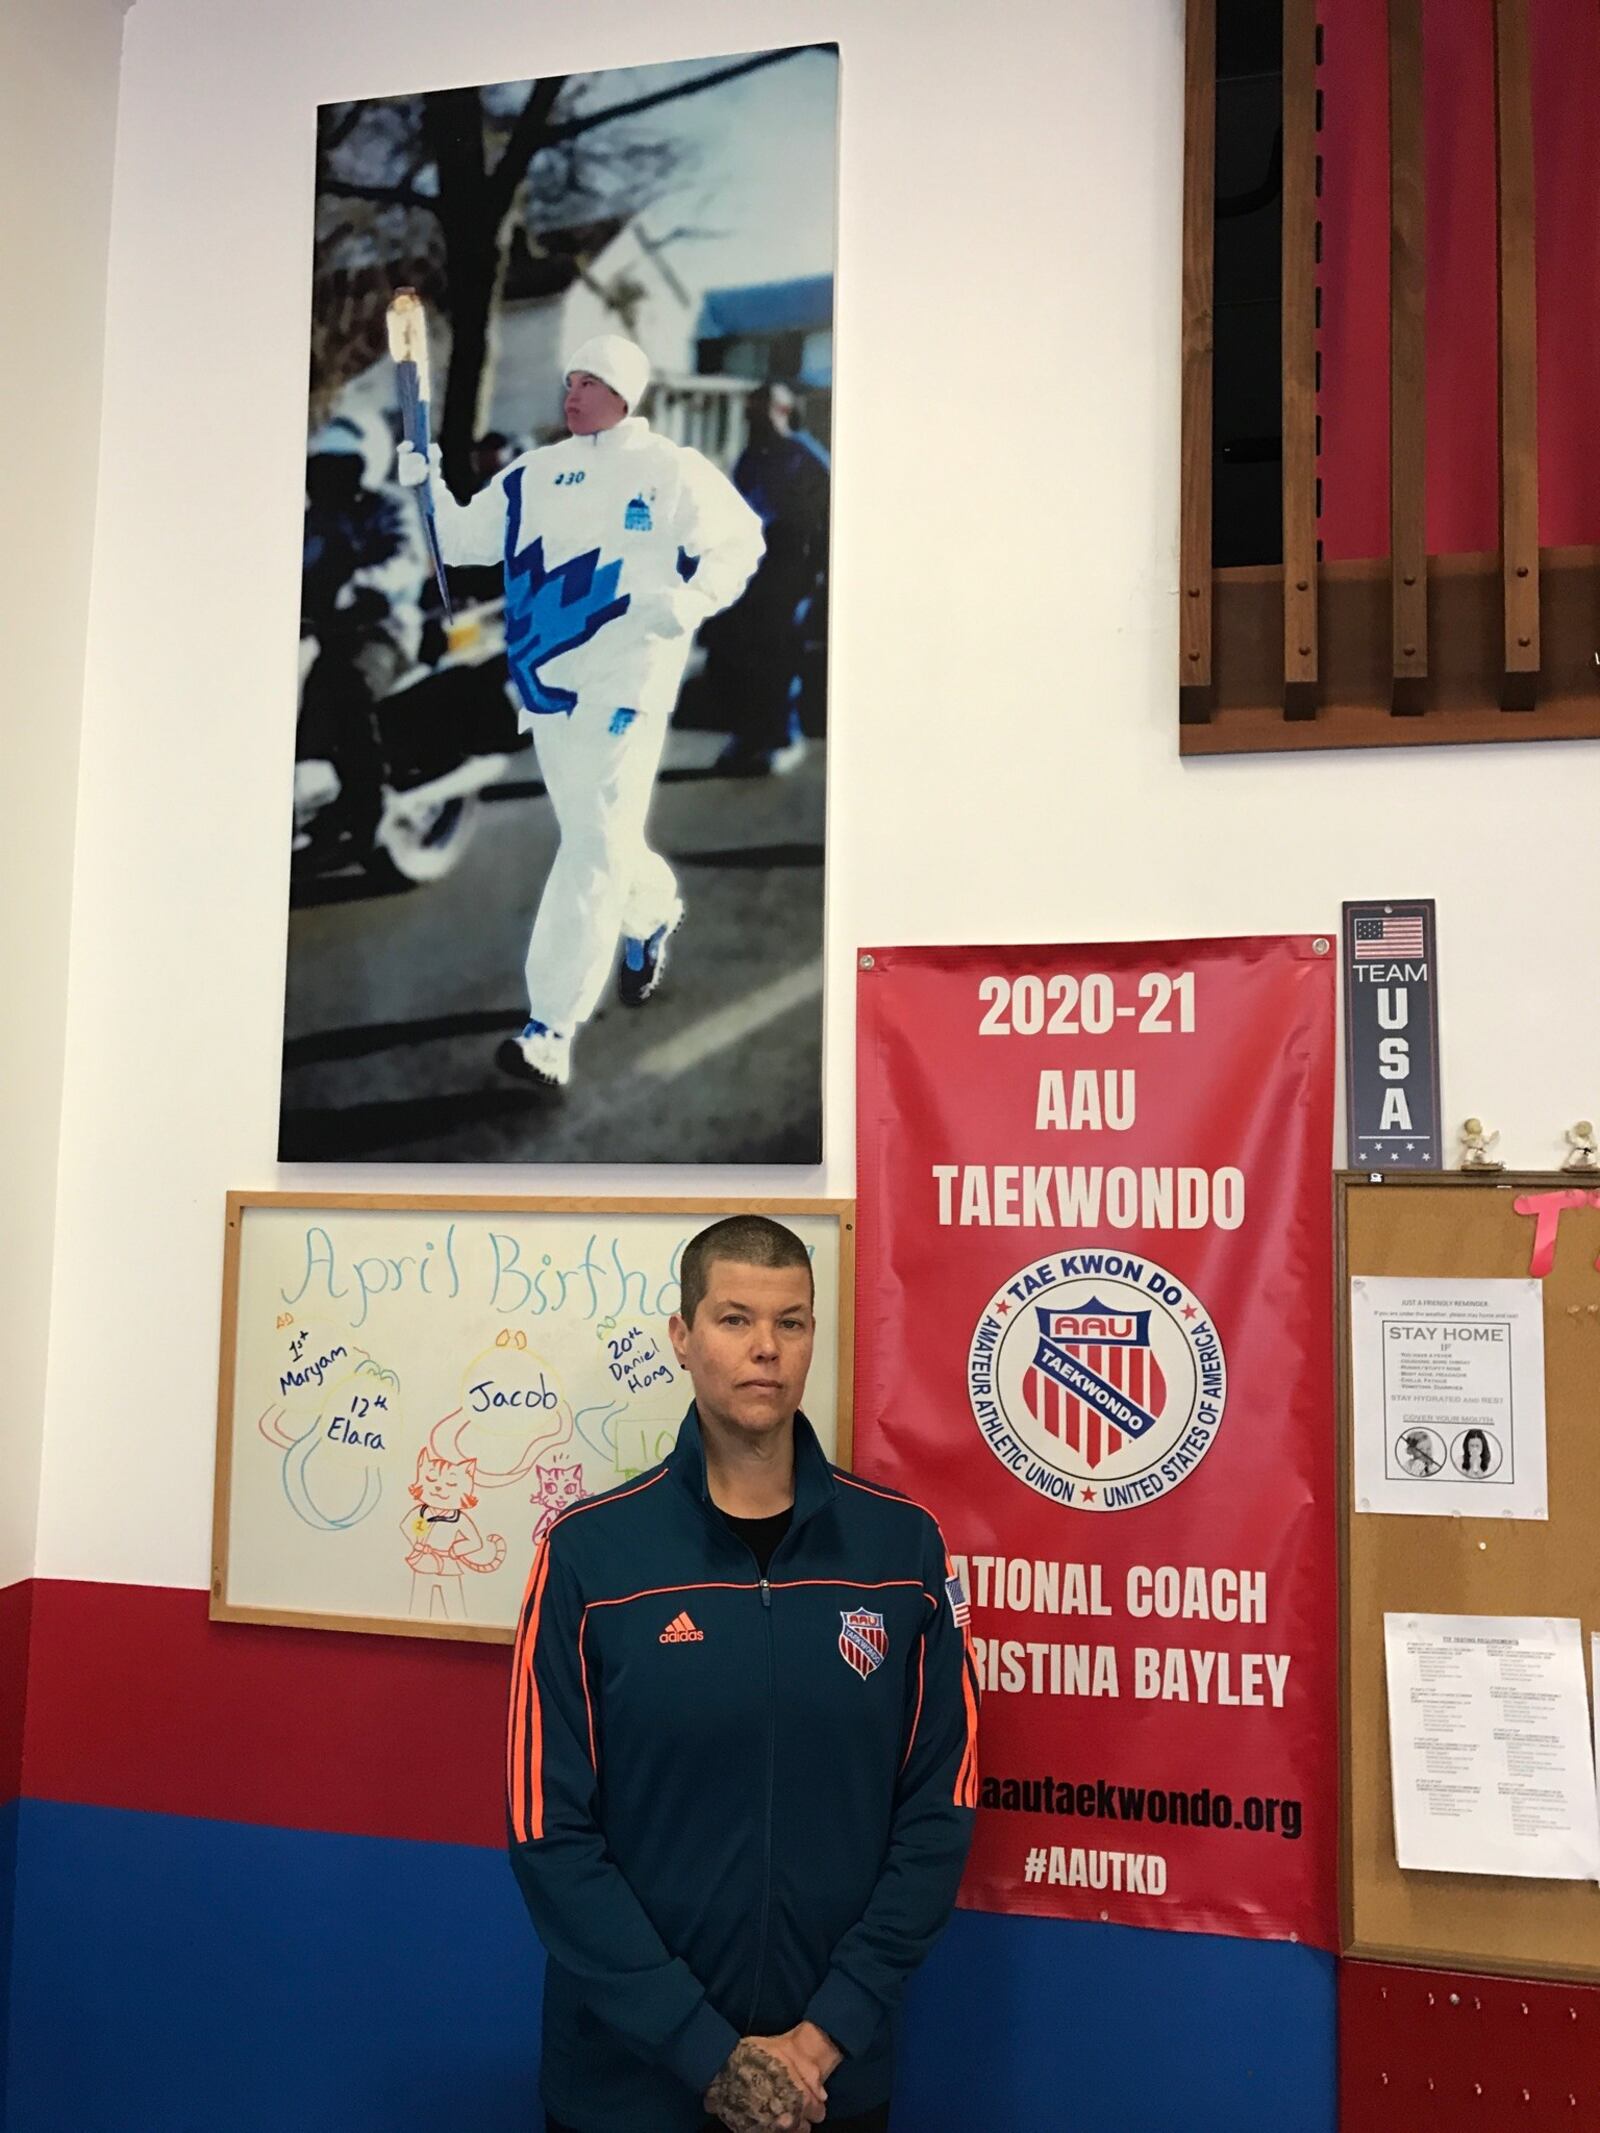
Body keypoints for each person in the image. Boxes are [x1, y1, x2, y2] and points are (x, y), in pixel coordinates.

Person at [507, 1215, 980, 2133]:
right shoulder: (587, 1555)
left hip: (829, 2083)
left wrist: (826, 2034)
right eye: (733, 1319)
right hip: (627, 2084)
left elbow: (938, 1808)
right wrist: (700, 2048)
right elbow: (547, 1830)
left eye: (792, 1322)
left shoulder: (902, 1547)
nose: (765, 1347)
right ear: (682, 1338)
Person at [397, 335, 765, 1091]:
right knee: (599, 835)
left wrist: (691, 601)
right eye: (568, 380)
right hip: (545, 685)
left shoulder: (669, 469)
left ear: (625, 392)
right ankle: (652, 908)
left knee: (593, 845)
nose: (571, 393)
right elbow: (464, 543)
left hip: (626, 681)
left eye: (589, 381)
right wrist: (427, 487)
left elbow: (741, 542)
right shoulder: (536, 472)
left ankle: (549, 1030)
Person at [707, 383, 831, 777]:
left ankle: (783, 736)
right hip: (753, 572)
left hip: (792, 570)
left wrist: (820, 571)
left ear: (781, 411)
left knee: (780, 656)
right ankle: (749, 734)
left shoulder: (805, 456)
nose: (753, 419)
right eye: (749, 412)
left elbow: (830, 513)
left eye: (761, 411)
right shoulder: (750, 458)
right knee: (745, 656)